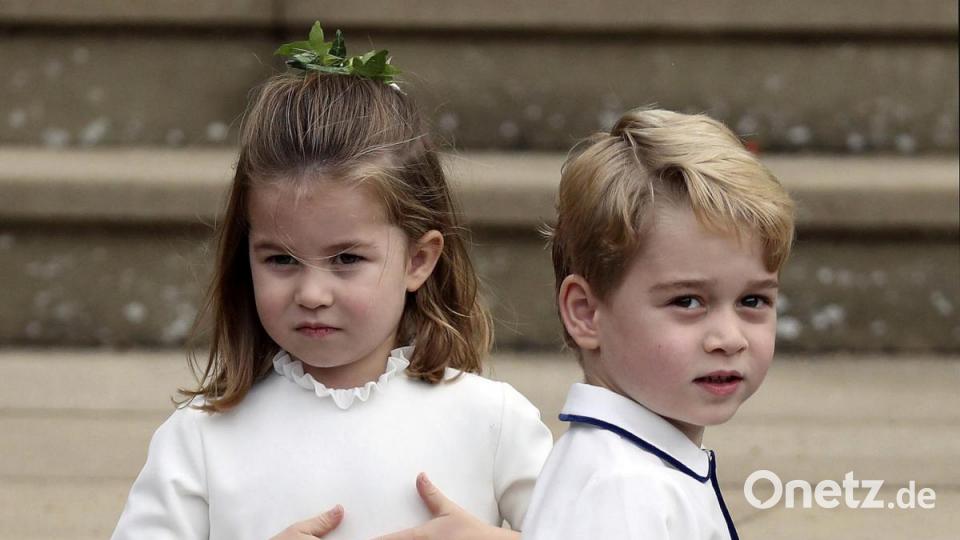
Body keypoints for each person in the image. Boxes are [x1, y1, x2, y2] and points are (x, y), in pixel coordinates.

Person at [111, 24, 552, 540]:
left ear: (419, 259)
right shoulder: (202, 438)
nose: (312, 294)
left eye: (345, 258)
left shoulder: (491, 421)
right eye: (280, 260)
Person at [522, 108, 795, 539]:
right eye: (687, 301)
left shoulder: (635, 465)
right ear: (586, 313)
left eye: (752, 300)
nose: (728, 339)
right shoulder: (626, 490)